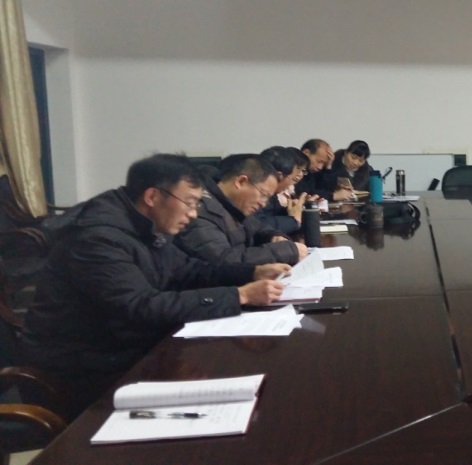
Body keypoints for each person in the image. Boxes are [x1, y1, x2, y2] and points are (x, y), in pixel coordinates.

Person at [20, 154, 290, 418]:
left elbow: (189, 270)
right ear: (152, 197)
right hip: (83, 370)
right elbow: (139, 306)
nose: (194, 214)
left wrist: (252, 271)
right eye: (189, 203)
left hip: (123, 348)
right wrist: (239, 296)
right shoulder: (98, 238)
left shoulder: (144, 225)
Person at [177, 155, 308, 265]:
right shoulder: (200, 212)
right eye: (263, 195)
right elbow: (223, 261)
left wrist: (273, 237)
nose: (263, 204)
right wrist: (284, 251)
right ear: (241, 181)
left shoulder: (233, 205)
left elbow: (259, 228)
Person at [253, 146, 310, 236]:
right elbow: (257, 225)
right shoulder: (254, 192)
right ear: (279, 176)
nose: (291, 184)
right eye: (292, 179)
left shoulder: (273, 194)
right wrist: (293, 221)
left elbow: (275, 213)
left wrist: (300, 210)